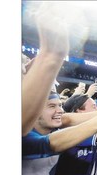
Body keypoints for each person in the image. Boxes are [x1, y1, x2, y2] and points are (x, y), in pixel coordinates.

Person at [22, 4, 69, 136]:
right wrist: (50, 57)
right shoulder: (27, 142)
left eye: (59, 105)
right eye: (52, 106)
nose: (60, 110)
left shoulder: (54, 129)